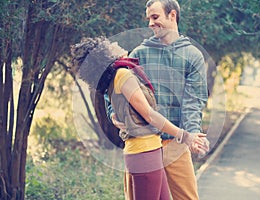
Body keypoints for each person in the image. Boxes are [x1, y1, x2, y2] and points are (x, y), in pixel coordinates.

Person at [70, 37, 208, 200]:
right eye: (109, 46)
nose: (115, 45)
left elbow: (122, 110)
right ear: (105, 55)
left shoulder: (115, 77)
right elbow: (149, 115)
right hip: (144, 152)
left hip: (147, 151)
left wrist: (115, 116)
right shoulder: (122, 75)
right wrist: (185, 135)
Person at [108, 0, 210, 199]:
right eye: (148, 19)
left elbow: (194, 100)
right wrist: (113, 113)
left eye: (155, 17)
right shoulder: (139, 54)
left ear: (172, 16)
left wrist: (191, 134)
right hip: (143, 142)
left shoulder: (192, 56)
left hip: (174, 143)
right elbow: (112, 89)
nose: (150, 23)